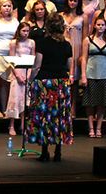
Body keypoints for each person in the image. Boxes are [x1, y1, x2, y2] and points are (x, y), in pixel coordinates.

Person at [26, 12, 74, 162]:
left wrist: (30, 80)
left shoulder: (43, 43)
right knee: (59, 116)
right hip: (60, 83)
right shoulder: (67, 45)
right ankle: (58, 151)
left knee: (45, 116)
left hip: (45, 83)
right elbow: (69, 65)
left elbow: (37, 65)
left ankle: (44, 151)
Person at [80, 16, 106, 138]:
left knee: (102, 103)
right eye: (98, 24)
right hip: (91, 75)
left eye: (103, 25)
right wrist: (83, 75)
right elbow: (84, 58)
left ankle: (99, 128)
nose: (100, 27)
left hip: (104, 75)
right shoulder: (88, 40)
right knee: (90, 103)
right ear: (94, 26)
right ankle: (91, 128)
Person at [5, 21, 35, 136]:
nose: (26, 33)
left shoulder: (31, 42)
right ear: (19, 31)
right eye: (23, 31)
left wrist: (28, 75)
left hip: (26, 71)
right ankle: (11, 124)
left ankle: (23, 124)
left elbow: (32, 60)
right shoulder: (14, 43)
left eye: (27, 31)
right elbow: (11, 61)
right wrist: (17, 75)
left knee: (24, 99)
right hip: (16, 72)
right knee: (14, 98)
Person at [60, 0, 87, 117]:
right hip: (63, 48)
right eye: (70, 0)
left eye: (75, 1)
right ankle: (62, 107)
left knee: (74, 82)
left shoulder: (83, 17)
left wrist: (83, 54)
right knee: (63, 78)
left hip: (77, 49)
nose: (72, 3)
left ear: (78, 3)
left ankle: (73, 107)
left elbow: (85, 37)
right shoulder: (61, 15)